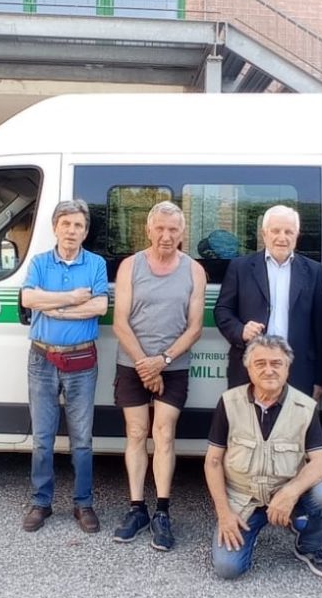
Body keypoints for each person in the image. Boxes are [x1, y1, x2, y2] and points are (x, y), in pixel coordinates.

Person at [205, 335, 322, 579]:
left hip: (289, 494)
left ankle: (308, 545)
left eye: (276, 363)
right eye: (260, 363)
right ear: (248, 368)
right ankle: (251, 531)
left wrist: (289, 493)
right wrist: (225, 514)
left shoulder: (305, 407)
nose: (269, 370)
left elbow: (321, 462)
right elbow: (213, 461)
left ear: (287, 368)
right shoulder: (229, 402)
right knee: (227, 569)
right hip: (244, 499)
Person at [111, 201, 207, 551]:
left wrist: (162, 361)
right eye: (160, 229)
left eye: (174, 230)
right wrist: (144, 364)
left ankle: (162, 511)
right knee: (136, 433)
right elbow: (120, 322)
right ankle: (137, 508)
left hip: (174, 365)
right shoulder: (129, 266)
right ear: (148, 230)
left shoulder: (194, 271)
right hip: (133, 362)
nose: (167, 236)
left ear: (183, 233)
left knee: (163, 434)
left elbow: (195, 328)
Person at [19, 200, 108, 534]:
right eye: (67, 224)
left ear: (86, 231)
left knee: (82, 440)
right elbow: (28, 300)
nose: (73, 231)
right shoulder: (40, 262)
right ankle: (41, 502)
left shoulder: (96, 264)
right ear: (55, 227)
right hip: (42, 358)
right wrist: (72, 298)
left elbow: (99, 305)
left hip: (81, 360)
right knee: (42, 438)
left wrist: (53, 306)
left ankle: (83, 504)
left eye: (79, 226)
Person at [214, 205, 322, 398]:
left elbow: (321, 329)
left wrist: (319, 379)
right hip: (249, 367)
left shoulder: (314, 272)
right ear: (264, 234)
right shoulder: (240, 267)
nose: (282, 237)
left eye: (288, 231)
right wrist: (240, 330)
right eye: (275, 231)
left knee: (293, 428)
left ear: (297, 235)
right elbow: (222, 310)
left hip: (297, 371)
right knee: (246, 427)